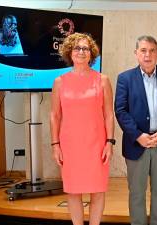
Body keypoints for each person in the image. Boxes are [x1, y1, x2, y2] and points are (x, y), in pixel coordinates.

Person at [115, 35, 157, 225]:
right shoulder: (125, 78)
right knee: (136, 191)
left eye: (152, 50)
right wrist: (138, 135)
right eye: (143, 50)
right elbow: (120, 111)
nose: (148, 54)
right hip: (137, 144)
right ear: (136, 53)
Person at [50, 32, 114, 225]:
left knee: (98, 190)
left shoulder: (102, 80)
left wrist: (110, 142)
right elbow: (55, 115)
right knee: (73, 190)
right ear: (70, 52)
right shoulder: (60, 82)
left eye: (86, 48)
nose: (81, 52)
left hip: (96, 144)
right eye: (77, 48)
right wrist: (55, 144)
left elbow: (109, 114)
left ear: (91, 53)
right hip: (70, 145)